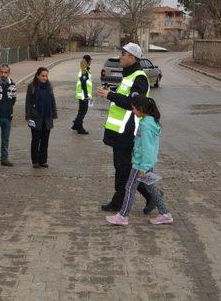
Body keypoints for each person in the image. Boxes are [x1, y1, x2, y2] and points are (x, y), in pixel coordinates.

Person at [96, 43, 153, 213]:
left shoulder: (139, 78)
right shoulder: (129, 76)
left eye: (123, 54)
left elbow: (133, 103)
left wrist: (110, 95)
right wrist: (112, 90)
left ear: (133, 57)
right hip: (119, 133)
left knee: (127, 169)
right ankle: (120, 200)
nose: (120, 56)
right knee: (123, 169)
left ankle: (152, 196)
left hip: (128, 133)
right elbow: (125, 97)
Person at [106, 96, 173, 226]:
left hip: (140, 164)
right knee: (151, 187)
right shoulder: (151, 122)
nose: (133, 111)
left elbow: (148, 148)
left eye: (134, 109)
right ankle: (165, 214)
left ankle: (123, 216)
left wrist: (143, 167)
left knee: (129, 187)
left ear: (141, 109)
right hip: (145, 163)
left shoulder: (145, 125)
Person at [25, 68, 57, 168]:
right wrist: (28, 116)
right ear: (37, 76)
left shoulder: (49, 86)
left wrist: (54, 114)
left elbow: (52, 101)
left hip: (47, 117)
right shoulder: (32, 86)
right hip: (35, 117)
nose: (45, 78)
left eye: (46, 76)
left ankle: (43, 160)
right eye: (43, 76)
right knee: (35, 140)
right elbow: (28, 102)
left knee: (45, 140)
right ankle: (35, 161)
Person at [72, 55, 92, 135]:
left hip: (82, 95)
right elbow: (83, 84)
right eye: (90, 61)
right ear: (87, 62)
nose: (91, 62)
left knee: (81, 111)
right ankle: (79, 128)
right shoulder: (84, 71)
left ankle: (76, 125)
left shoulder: (85, 70)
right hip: (83, 96)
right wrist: (87, 96)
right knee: (83, 112)